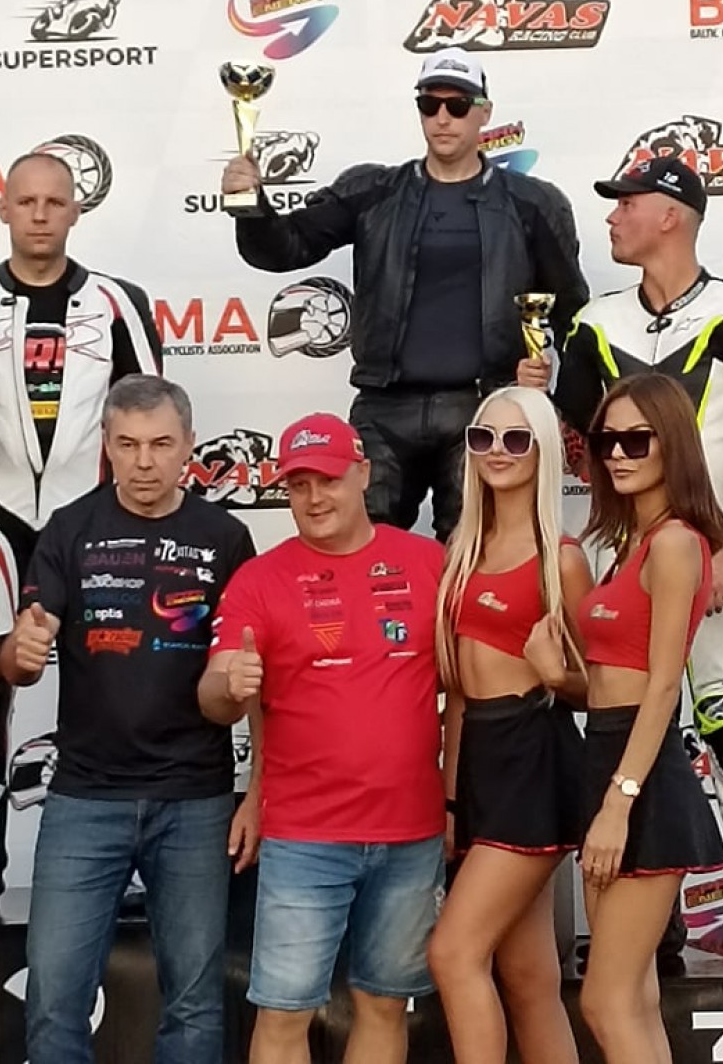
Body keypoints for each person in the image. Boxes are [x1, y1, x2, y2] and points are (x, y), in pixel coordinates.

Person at [521, 155, 723, 965]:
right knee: (627, 721)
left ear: (672, 216)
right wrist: (538, 390)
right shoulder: (596, 323)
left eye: (627, 204)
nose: (612, 218)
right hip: (624, 555)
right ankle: (657, 918)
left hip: (715, 550)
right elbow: (585, 433)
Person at [222, 47, 589, 541]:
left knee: (476, 553)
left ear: (485, 112)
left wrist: (564, 404)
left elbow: (572, 315)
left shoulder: (532, 203)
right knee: (358, 549)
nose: (443, 117)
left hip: (484, 407)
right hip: (384, 406)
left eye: (458, 105)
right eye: (429, 104)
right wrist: (249, 204)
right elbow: (283, 249)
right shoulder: (374, 190)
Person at [0, 375, 258, 1064]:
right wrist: (22, 652)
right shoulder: (69, 529)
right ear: (106, 446)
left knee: (195, 1004)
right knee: (53, 996)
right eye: (128, 445)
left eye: (161, 444)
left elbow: (244, 674)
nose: (144, 462)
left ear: (189, 445)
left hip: (195, 799)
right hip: (85, 797)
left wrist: (254, 776)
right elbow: (23, 654)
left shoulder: (225, 537)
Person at [0, 150, 162, 921]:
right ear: (1, 208)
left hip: (91, 517)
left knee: (113, 676)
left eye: (54, 202)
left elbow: (154, 411)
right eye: (25, 201)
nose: (39, 215)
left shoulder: (117, 302)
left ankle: (128, 858)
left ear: (76, 211)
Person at [199, 412, 445, 1064]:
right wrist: (231, 685)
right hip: (304, 837)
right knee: (284, 1013)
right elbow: (215, 693)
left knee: (384, 1004)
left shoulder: (428, 563)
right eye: (298, 485)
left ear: (362, 473)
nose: (313, 499)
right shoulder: (260, 579)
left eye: (328, 480)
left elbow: (473, 684)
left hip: (412, 833)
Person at [427, 386, 590, 1064]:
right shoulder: (460, 550)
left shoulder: (563, 559)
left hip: (534, 759)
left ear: (543, 451)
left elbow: (599, 688)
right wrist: (450, 801)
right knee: (527, 978)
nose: (497, 451)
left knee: (453, 953)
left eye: (516, 439)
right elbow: (459, 697)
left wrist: (557, 676)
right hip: (481, 766)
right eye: (483, 437)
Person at [577, 373, 723, 1064]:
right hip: (608, 758)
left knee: (605, 1002)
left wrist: (620, 800)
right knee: (633, 999)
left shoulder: (673, 543)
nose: (617, 453)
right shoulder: (629, 544)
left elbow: (665, 685)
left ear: (672, 444)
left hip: (641, 779)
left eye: (636, 439)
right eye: (606, 440)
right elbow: (607, 681)